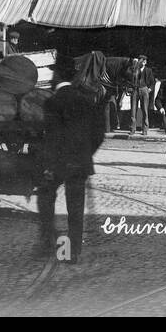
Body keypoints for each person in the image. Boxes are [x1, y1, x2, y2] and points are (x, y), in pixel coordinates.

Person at [35, 51, 107, 263]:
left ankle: (48, 242)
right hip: (80, 163)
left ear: (57, 76)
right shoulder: (87, 100)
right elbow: (99, 133)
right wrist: (86, 153)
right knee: (75, 208)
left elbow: (52, 138)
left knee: (45, 196)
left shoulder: (52, 103)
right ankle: (72, 252)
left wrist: (49, 165)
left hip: (58, 163)